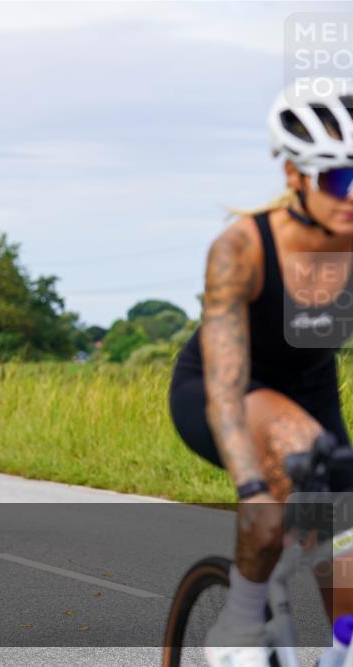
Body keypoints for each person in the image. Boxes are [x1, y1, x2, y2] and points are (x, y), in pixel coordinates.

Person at [169, 81, 353, 666]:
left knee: (343, 539)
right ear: (295, 174)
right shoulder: (242, 248)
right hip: (222, 389)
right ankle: (239, 629)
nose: (351, 196)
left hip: (311, 393)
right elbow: (226, 387)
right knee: (291, 498)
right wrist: (252, 488)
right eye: (337, 179)